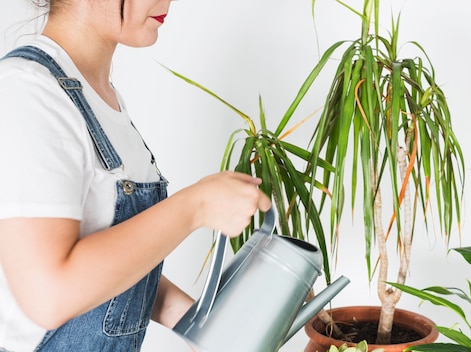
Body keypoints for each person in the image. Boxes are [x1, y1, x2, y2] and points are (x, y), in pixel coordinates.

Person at [0, 0, 271, 351]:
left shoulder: (99, 96)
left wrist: (196, 322)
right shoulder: (29, 92)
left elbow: (107, 261)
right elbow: (49, 294)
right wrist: (195, 206)